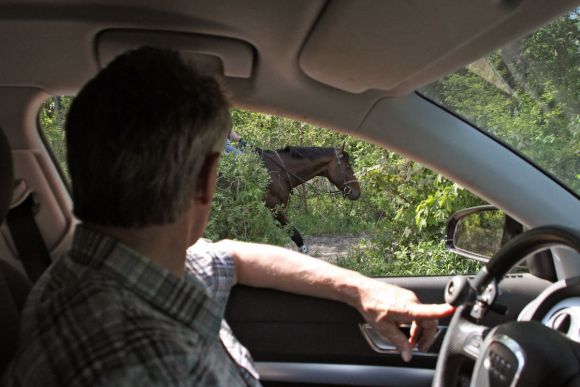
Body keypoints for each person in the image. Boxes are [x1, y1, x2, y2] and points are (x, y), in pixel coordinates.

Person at [3, 47, 454, 386]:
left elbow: (231, 257)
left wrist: (358, 287)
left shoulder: (115, 270)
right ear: (204, 182)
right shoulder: (149, 367)